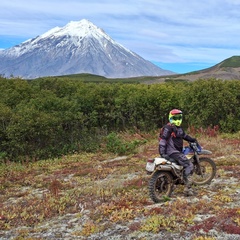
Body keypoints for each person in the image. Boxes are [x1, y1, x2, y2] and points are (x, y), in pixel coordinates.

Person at [159, 109, 197, 196]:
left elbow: (184, 136)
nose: (178, 119)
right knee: (189, 165)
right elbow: (163, 140)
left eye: (179, 117)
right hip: (172, 152)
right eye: (175, 117)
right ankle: (188, 189)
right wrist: (162, 152)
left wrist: (192, 139)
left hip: (175, 151)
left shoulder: (178, 128)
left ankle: (175, 179)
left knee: (181, 163)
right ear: (171, 117)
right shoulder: (168, 128)